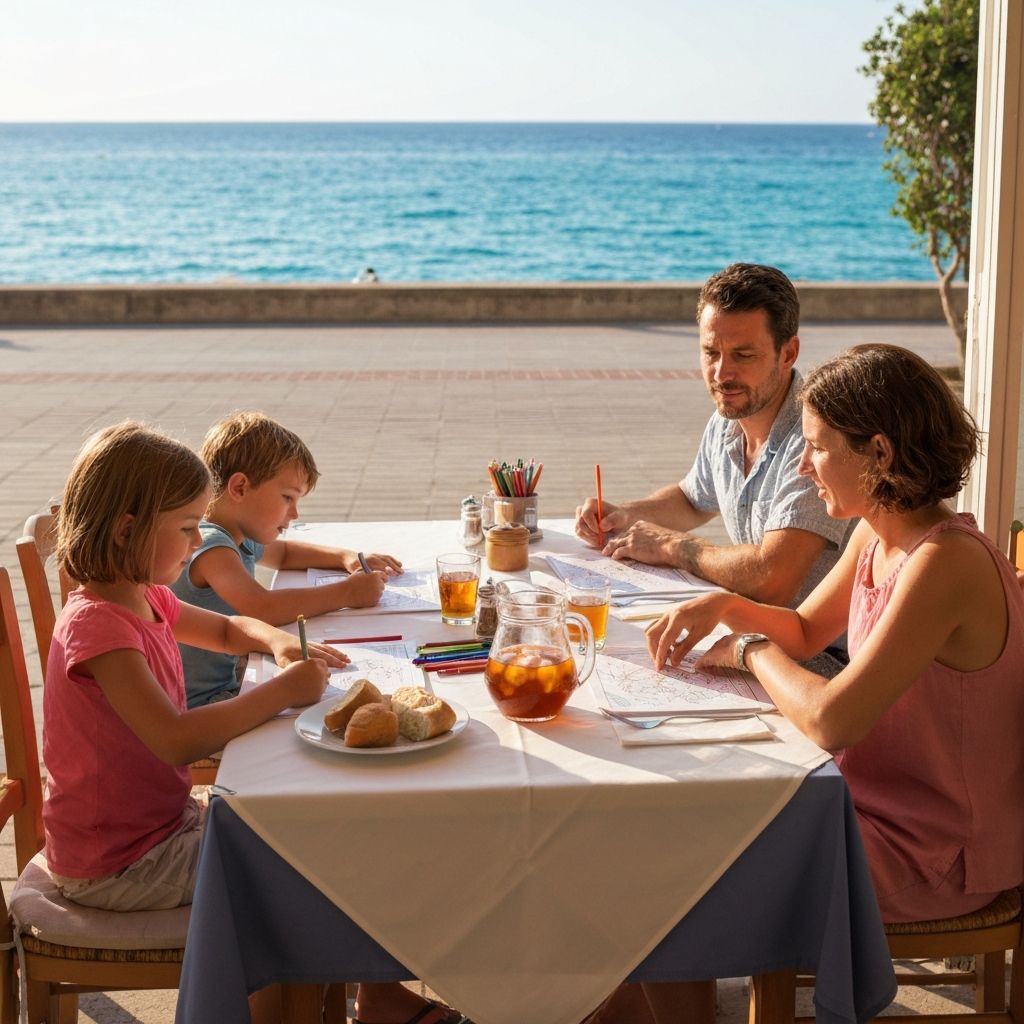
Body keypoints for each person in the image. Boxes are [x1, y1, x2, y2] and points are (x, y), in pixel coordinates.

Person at [45, 422, 472, 1024]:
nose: (198, 539)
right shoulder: (100, 626)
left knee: (324, 830)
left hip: (158, 829)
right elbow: (177, 740)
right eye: (188, 527)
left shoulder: (142, 595)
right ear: (127, 530)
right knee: (314, 856)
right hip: (120, 862)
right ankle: (300, 1007)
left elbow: (225, 628)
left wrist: (278, 645)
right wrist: (280, 693)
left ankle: (363, 996)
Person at [647, 344, 1024, 924]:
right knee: (669, 828)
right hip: (867, 808)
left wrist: (750, 649)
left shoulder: (945, 561)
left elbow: (831, 720)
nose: (803, 466)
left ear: (878, 454)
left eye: (817, 448)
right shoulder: (876, 534)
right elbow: (802, 630)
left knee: (681, 865)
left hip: (934, 852)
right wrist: (726, 606)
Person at [575, 263, 853, 613]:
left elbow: (772, 580)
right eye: (711, 353)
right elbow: (692, 501)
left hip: (823, 652)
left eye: (743, 355)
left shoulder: (815, 443)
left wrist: (671, 546)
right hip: (762, 627)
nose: (722, 374)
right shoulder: (728, 419)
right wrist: (624, 515)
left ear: (788, 353)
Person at [172, 411, 403, 708]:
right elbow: (261, 607)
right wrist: (347, 593)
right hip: (204, 701)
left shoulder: (240, 532)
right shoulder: (212, 544)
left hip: (233, 677)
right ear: (240, 488)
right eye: (287, 498)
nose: (295, 514)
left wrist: (347, 558)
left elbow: (285, 553)